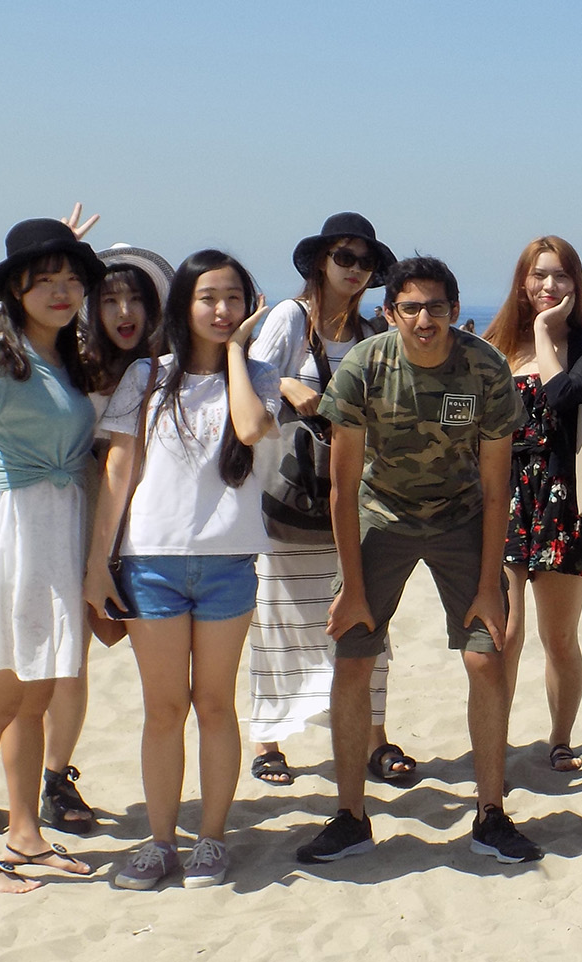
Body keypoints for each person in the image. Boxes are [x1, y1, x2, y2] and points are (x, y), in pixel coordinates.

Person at [296, 256, 541, 865]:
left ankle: (490, 813)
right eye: (410, 307)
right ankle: (350, 815)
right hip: (384, 514)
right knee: (354, 660)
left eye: (435, 306)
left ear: (455, 311)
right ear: (390, 312)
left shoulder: (484, 368)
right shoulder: (366, 365)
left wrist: (489, 586)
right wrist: (352, 587)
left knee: (486, 660)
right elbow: (343, 483)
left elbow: (495, 486)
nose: (424, 318)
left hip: (463, 517)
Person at [86, 250, 283, 890]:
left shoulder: (258, 374)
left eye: (233, 298)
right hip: (153, 561)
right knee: (164, 709)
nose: (221, 310)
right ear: (184, 305)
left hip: (228, 563)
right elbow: (119, 471)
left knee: (217, 705)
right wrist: (98, 564)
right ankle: (160, 840)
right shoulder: (146, 376)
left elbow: (251, 430)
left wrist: (235, 353)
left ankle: (214, 838)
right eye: (208, 298)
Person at [0, 218, 103, 893]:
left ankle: (27, 833)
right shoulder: (4, 358)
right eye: (45, 282)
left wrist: (52, 245)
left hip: (61, 526)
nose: (62, 292)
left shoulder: (69, 356)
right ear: (17, 293)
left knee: (36, 695)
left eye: (72, 281)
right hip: (16, 529)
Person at [244, 213, 408, 788]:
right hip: (291, 498)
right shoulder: (291, 319)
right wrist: (287, 384)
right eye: (345, 257)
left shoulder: (371, 338)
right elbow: (251, 384)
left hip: (359, 502)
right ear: (320, 262)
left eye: (364, 262)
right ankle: (268, 741)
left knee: (367, 620)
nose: (355, 270)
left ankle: (373, 738)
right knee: (281, 620)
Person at [22, 242, 170, 837]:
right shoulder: (66, 359)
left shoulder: (169, 368)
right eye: (110, 298)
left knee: (88, 659)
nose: (124, 310)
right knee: (57, 655)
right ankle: (37, 775)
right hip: (65, 510)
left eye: (137, 298)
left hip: (141, 523)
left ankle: (54, 773)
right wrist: (49, 244)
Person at [482, 236, 582, 773]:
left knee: (558, 637)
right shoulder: (494, 347)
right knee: (504, 635)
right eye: (539, 276)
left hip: (565, 498)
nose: (549, 286)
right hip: (503, 500)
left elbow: (564, 398)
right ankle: (498, 738)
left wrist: (542, 334)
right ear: (522, 282)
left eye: (561, 276)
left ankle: (560, 739)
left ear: (576, 286)